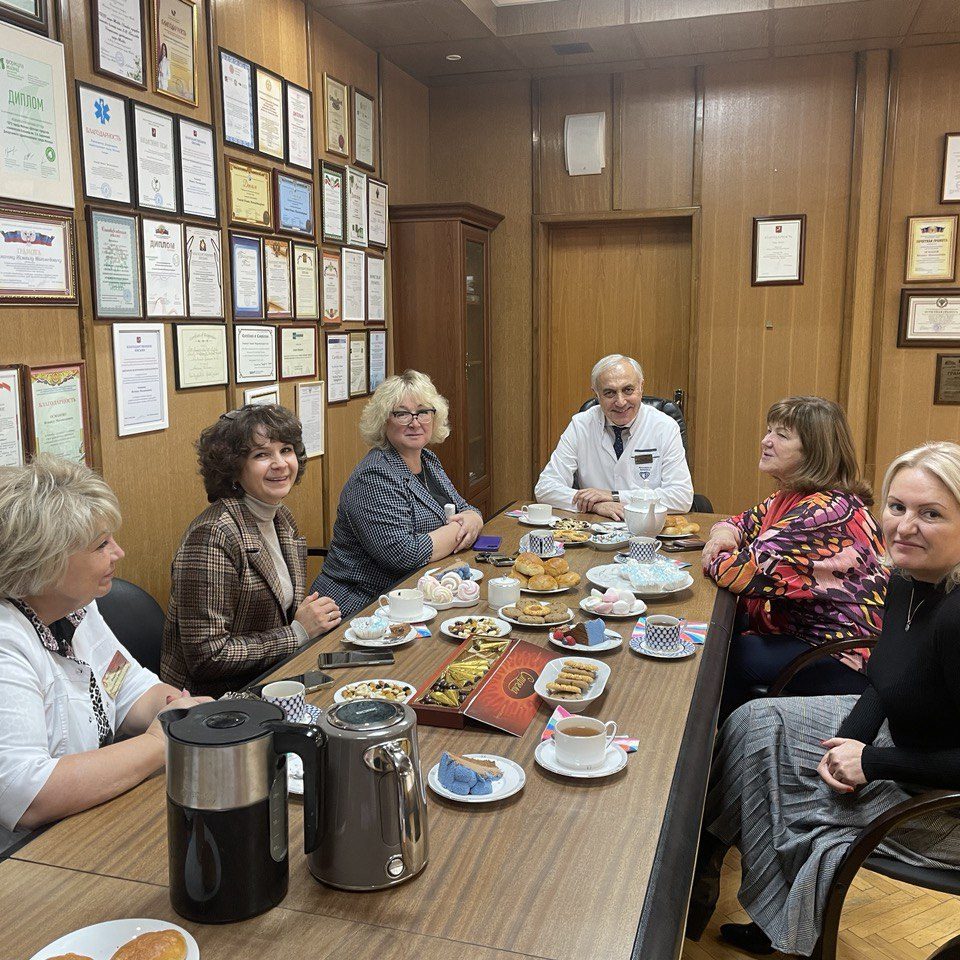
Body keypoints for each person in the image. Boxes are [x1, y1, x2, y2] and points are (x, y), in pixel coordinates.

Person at [687, 441, 960, 957]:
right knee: (752, 725)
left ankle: (787, 926)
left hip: (938, 802)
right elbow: (885, 678)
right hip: (904, 739)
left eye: (931, 514)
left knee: (802, 795)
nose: (904, 527)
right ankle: (729, 879)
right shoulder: (909, 575)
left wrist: (870, 760)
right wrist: (852, 737)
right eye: (897, 507)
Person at [0, 455, 209, 851]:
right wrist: (158, 742)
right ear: (44, 560)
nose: (119, 553)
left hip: (88, 826)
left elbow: (124, 684)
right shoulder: (6, 641)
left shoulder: (74, 607)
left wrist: (179, 710)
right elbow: (26, 793)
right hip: (25, 861)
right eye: (101, 545)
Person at [701, 396, 887, 719]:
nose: (765, 441)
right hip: (805, 634)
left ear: (814, 452)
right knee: (724, 635)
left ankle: (716, 757)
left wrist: (721, 549)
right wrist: (723, 535)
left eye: (781, 435)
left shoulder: (824, 513)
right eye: (768, 430)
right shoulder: (791, 496)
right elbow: (737, 523)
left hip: (842, 655)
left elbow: (737, 572)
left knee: (723, 654)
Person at [162, 405, 340, 698]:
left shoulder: (281, 517)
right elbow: (208, 656)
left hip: (274, 677)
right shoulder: (213, 535)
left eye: (286, 450)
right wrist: (297, 633)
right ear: (233, 467)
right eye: (261, 455)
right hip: (218, 702)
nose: (281, 463)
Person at [313, 370, 483, 618]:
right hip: (360, 606)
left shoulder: (427, 459)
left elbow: (467, 509)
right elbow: (405, 554)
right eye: (402, 414)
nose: (415, 422)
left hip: (412, 594)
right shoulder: (374, 475)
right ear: (383, 421)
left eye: (423, 412)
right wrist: (460, 528)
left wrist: (474, 518)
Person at [534, 354, 693, 519]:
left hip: (647, 530)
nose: (621, 402)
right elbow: (545, 488)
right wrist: (596, 505)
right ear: (597, 394)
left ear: (641, 387)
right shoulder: (581, 425)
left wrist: (614, 496)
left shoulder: (664, 426)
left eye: (628, 390)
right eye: (609, 393)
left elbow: (681, 497)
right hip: (595, 531)